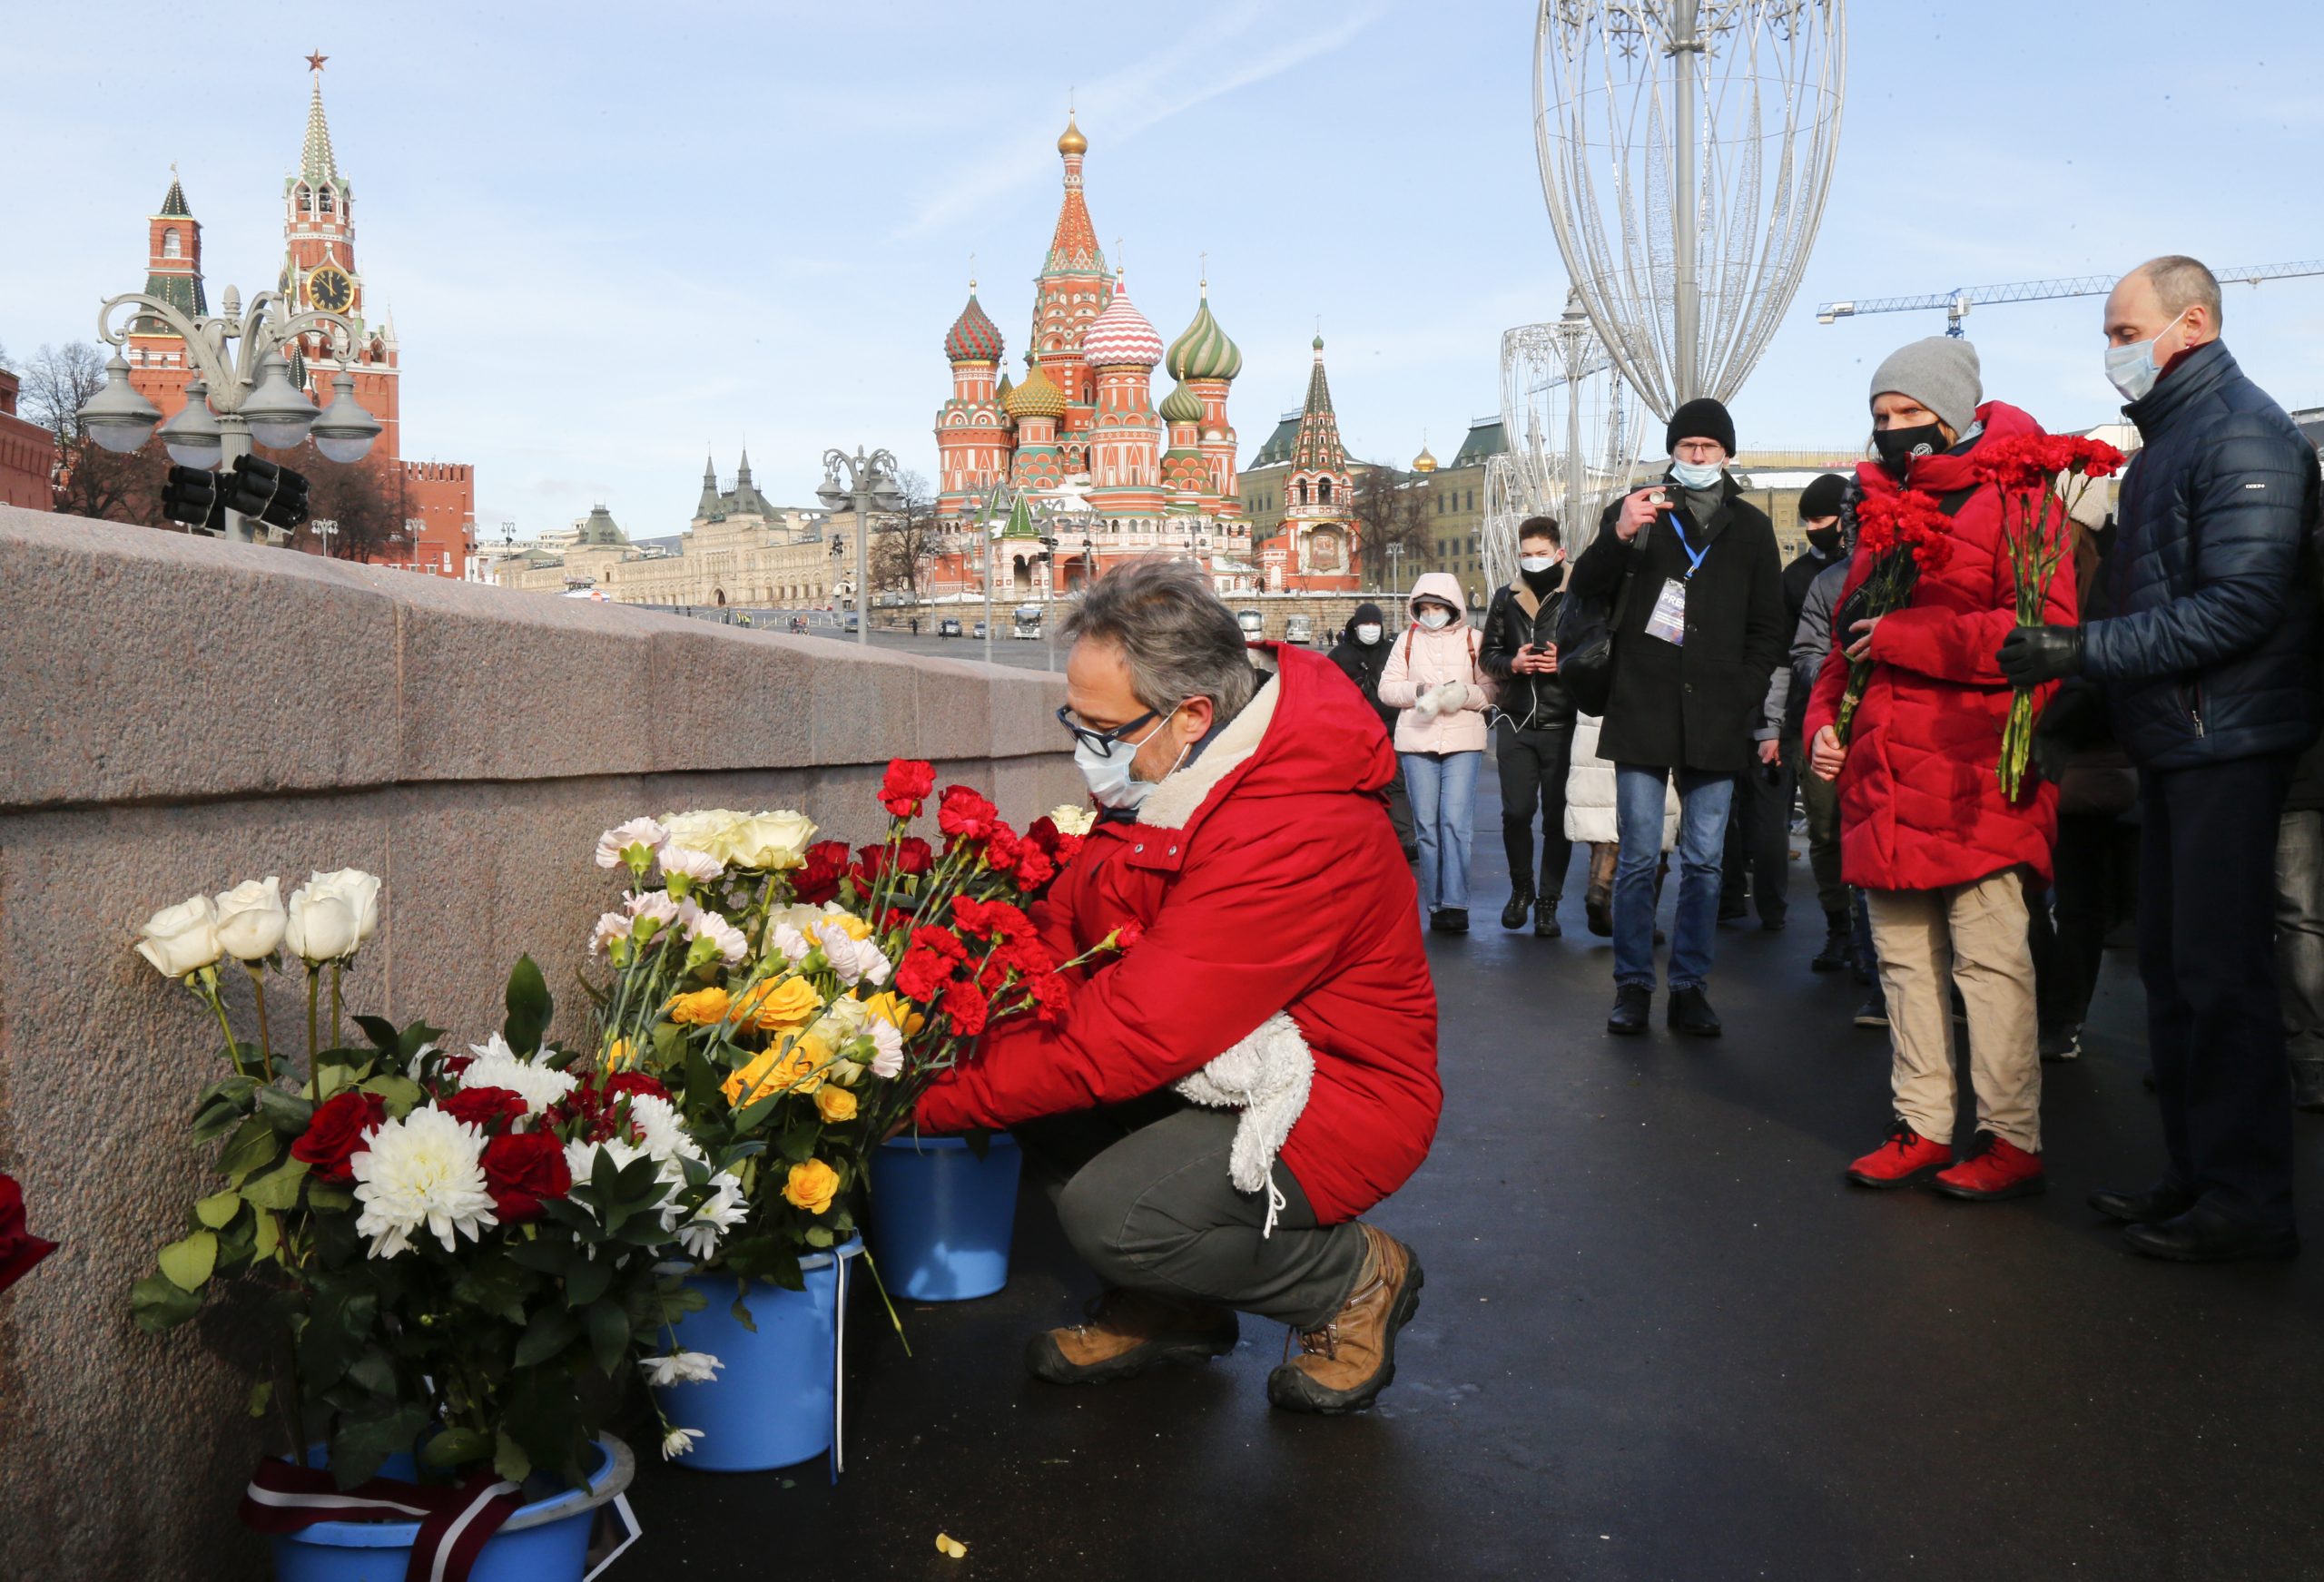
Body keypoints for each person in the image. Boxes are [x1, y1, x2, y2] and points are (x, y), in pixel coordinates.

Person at [911, 557, 1440, 1413]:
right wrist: (961, 1010)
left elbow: (1136, 1032)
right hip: (1224, 1055)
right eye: (1073, 717)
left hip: (1338, 1089)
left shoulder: (1292, 823)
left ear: (1192, 713)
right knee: (1031, 1101)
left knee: (1116, 1214)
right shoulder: (1180, 771)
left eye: (1099, 727)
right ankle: (1171, 1304)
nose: (1085, 747)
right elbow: (1073, 924)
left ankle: (1348, 1280)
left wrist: (927, 1092)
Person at [2001, 256, 2324, 1261]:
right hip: (2180, 741)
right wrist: (2077, 703)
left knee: (2220, 976)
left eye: (2121, 332)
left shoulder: (2239, 434)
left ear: (2191, 322)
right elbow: (2145, 600)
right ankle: (2196, 1178)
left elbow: (2237, 606)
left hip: (2226, 740)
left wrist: (2077, 653)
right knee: (2179, 975)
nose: (2112, 353)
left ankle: (2247, 1203)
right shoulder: (2175, 439)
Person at [1807, 339, 2072, 1202]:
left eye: (1909, 414)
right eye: (1882, 417)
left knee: (1989, 966)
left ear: (1952, 414)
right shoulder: (1884, 514)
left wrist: (1900, 639)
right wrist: (1822, 726)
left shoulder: (2021, 499)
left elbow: (2037, 638)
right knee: (1905, 965)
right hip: (1884, 780)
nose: (1893, 432)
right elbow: (1843, 647)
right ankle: (1920, 1123)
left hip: (1972, 783)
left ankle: (2009, 1136)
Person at [1568, 398, 1787, 1036]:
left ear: (1725, 453)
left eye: (1707, 447)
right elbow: (1583, 585)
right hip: (1643, 703)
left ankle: (1690, 985)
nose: (1696, 456)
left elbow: (1767, 625)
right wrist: (1619, 532)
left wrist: (1745, 690)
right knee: (1637, 855)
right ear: (1673, 451)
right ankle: (1633, 984)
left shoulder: (1749, 527)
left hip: (1717, 713)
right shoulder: (1640, 510)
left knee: (1706, 858)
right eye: (1686, 446)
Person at [1746, 474, 1853, 961]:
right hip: (1809, 721)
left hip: (1866, 720)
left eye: (1822, 520)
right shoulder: (1797, 580)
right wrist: (1772, 726)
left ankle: (1867, 939)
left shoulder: (1880, 570)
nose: (1815, 529)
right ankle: (1839, 930)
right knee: (1825, 829)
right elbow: (1786, 659)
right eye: (1806, 521)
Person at [1479, 516, 1578, 936]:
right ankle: (1522, 890)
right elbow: (1488, 656)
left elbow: (1601, 651)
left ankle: (1549, 902)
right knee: (1517, 812)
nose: (1533, 562)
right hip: (1516, 719)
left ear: (1560, 553)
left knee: (1558, 817)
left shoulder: (1582, 595)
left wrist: (1565, 663)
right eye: (1526, 555)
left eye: (1541, 554)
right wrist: (1513, 664)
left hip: (1563, 719)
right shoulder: (1506, 597)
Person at [1378, 573, 1492, 933]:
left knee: (1455, 824)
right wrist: (1422, 690)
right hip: (1417, 741)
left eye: (1437, 607)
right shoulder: (1407, 641)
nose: (1430, 614)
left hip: (1463, 742)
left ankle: (1456, 903)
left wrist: (1462, 695)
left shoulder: (1475, 640)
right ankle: (1435, 903)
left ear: (1452, 607)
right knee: (1427, 826)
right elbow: (1387, 689)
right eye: (1424, 608)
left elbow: (1491, 690)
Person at [1328, 601, 1420, 860]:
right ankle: (1355, 839)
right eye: (1365, 624)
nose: (1371, 629)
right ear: (1355, 627)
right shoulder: (1339, 656)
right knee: (1355, 787)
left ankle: (1405, 838)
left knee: (1396, 783)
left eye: (1375, 624)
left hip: (1390, 729)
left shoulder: (1393, 651)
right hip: (1354, 733)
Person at [2276, 738, 2324, 1111]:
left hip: (2220, 774)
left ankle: (2204, 1046)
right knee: (2300, 918)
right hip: (2299, 775)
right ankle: (2310, 1058)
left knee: (2222, 917)